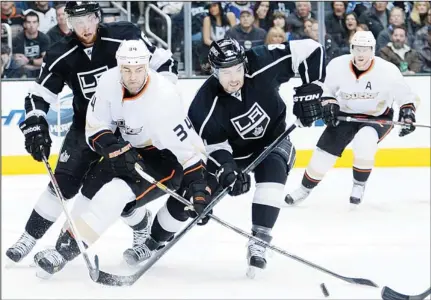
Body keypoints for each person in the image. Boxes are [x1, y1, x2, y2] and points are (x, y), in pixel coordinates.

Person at [127, 37, 332, 276]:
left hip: (272, 141)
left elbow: (311, 49)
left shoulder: (262, 61)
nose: (234, 77)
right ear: (213, 71)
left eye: (237, 69)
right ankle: (153, 241)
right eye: (225, 72)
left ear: (245, 63)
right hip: (231, 155)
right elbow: (213, 147)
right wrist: (226, 170)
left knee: (273, 170)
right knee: (190, 198)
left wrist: (312, 88)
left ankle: (259, 241)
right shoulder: (203, 106)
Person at [6, 1, 178, 265]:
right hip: (86, 127)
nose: (84, 28)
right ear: (67, 22)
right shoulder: (60, 53)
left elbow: (164, 62)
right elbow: (38, 96)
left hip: (127, 128)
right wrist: (36, 124)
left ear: (98, 17)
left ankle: (140, 225)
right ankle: (29, 236)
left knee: (117, 189)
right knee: (62, 183)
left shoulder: (124, 36)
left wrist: (163, 100)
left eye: (88, 20)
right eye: (76, 22)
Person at [32, 39, 210, 277]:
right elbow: (95, 129)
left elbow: (189, 153)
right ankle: (61, 247)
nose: (133, 76)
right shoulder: (108, 83)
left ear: (147, 65)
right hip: (127, 149)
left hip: (165, 161)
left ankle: (64, 252)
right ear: (118, 66)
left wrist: (199, 191)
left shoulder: (165, 98)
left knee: (115, 193)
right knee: (91, 187)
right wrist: (115, 148)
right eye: (126, 69)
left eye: (138, 69)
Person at [285, 31, 420, 206]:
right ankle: (303, 189)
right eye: (357, 49)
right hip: (346, 114)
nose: (361, 54)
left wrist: (407, 113)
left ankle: (359, 185)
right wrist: (329, 104)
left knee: (365, 141)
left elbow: (406, 96)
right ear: (351, 49)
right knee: (323, 153)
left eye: (365, 49)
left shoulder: (387, 71)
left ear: (372, 50)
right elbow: (327, 91)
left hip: (377, 117)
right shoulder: (338, 65)